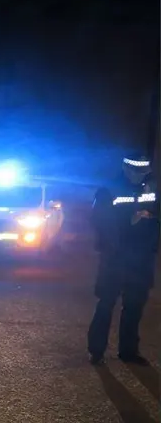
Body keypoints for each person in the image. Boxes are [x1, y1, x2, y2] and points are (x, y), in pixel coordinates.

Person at [87, 152, 158, 365]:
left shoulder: (151, 188)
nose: (139, 176)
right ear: (126, 169)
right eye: (136, 171)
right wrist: (130, 220)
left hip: (142, 258)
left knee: (134, 306)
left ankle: (128, 351)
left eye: (143, 172)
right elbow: (99, 219)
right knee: (106, 303)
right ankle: (96, 350)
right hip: (115, 257)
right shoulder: (108, 189)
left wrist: (151, 218)